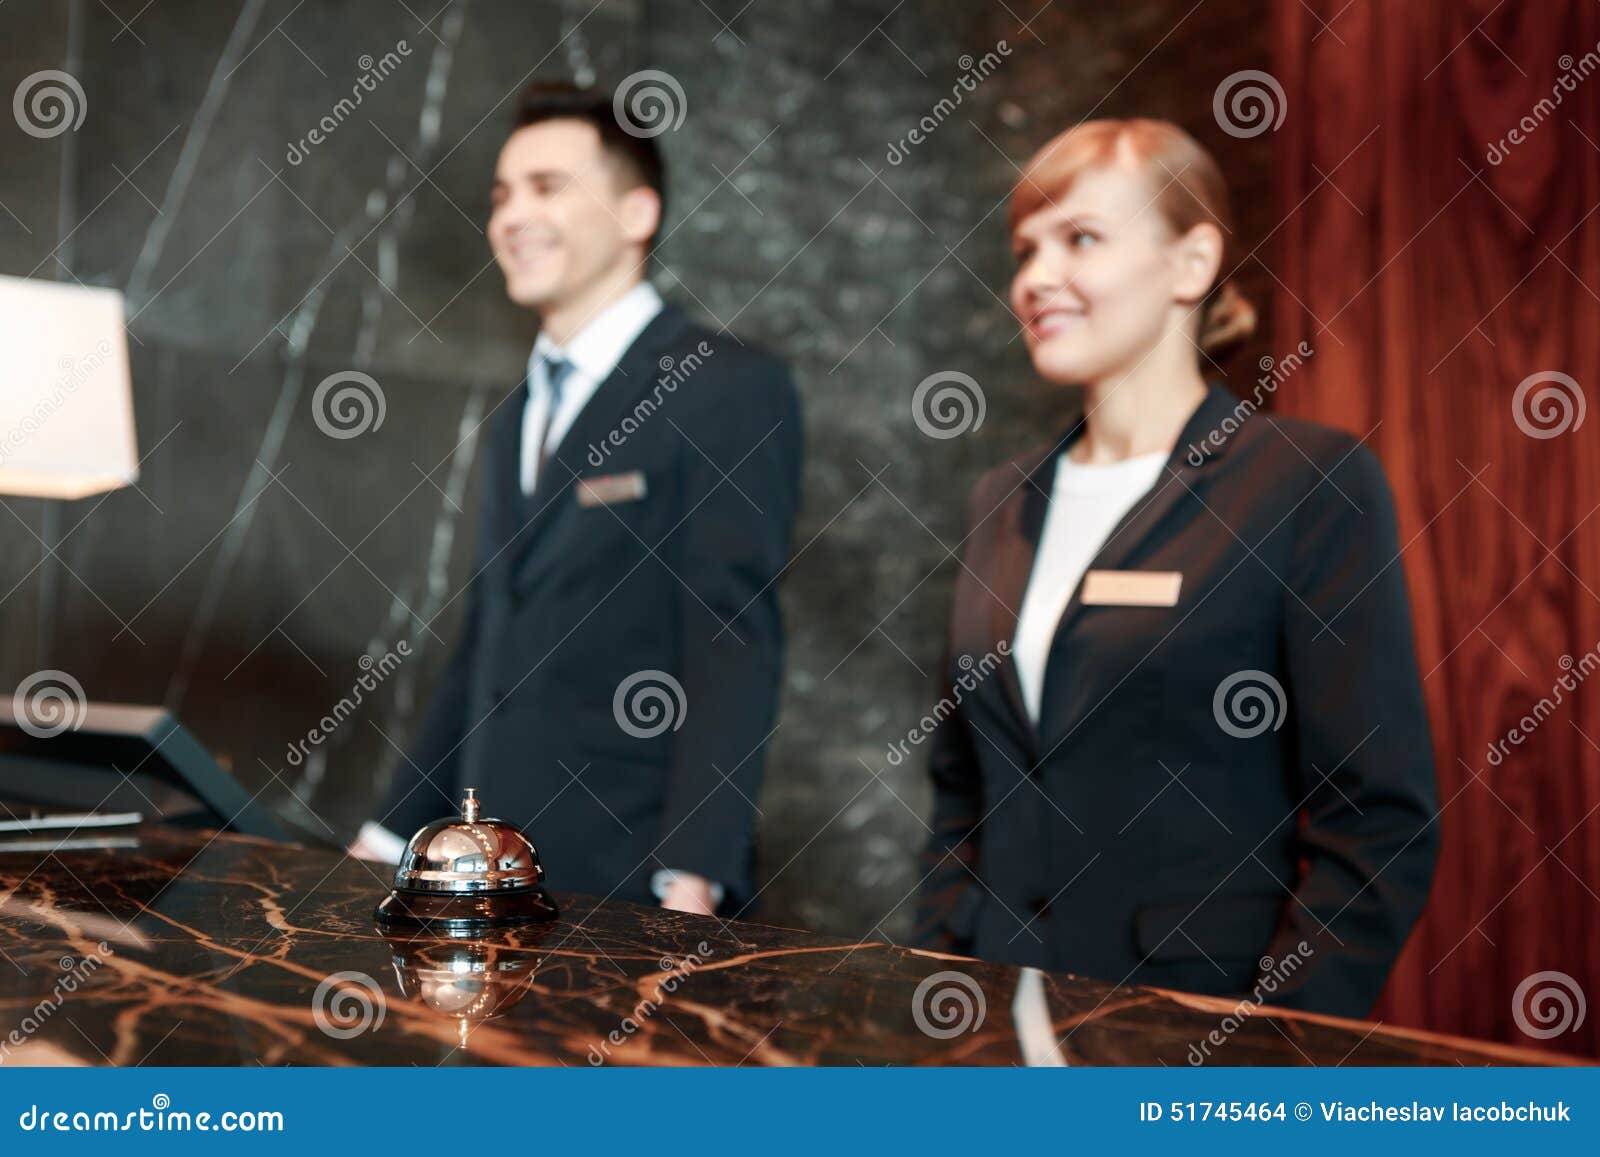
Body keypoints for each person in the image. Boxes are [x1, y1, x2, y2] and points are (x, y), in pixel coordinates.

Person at [913, 118, 1438, 1018]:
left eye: (1080, 238)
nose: (1036, 279)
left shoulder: (1304, 482)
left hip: (1187, 1030)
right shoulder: (1002, 498)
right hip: (991, 1030)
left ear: (1192, 264)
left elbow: (1379, 820)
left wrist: (1271, 1045)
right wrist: (947, 959)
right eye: (1025, 249)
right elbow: (965, 790)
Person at [349, 83, 803, 916]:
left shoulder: (725, 386)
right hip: (489, 878)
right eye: (501, 195)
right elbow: (489, 644)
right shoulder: (517, 415)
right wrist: (388, 833)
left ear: (636, 213)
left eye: (548, 187)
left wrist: (691, 877)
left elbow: (730, 641)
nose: (513, 215)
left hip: (631, 879)